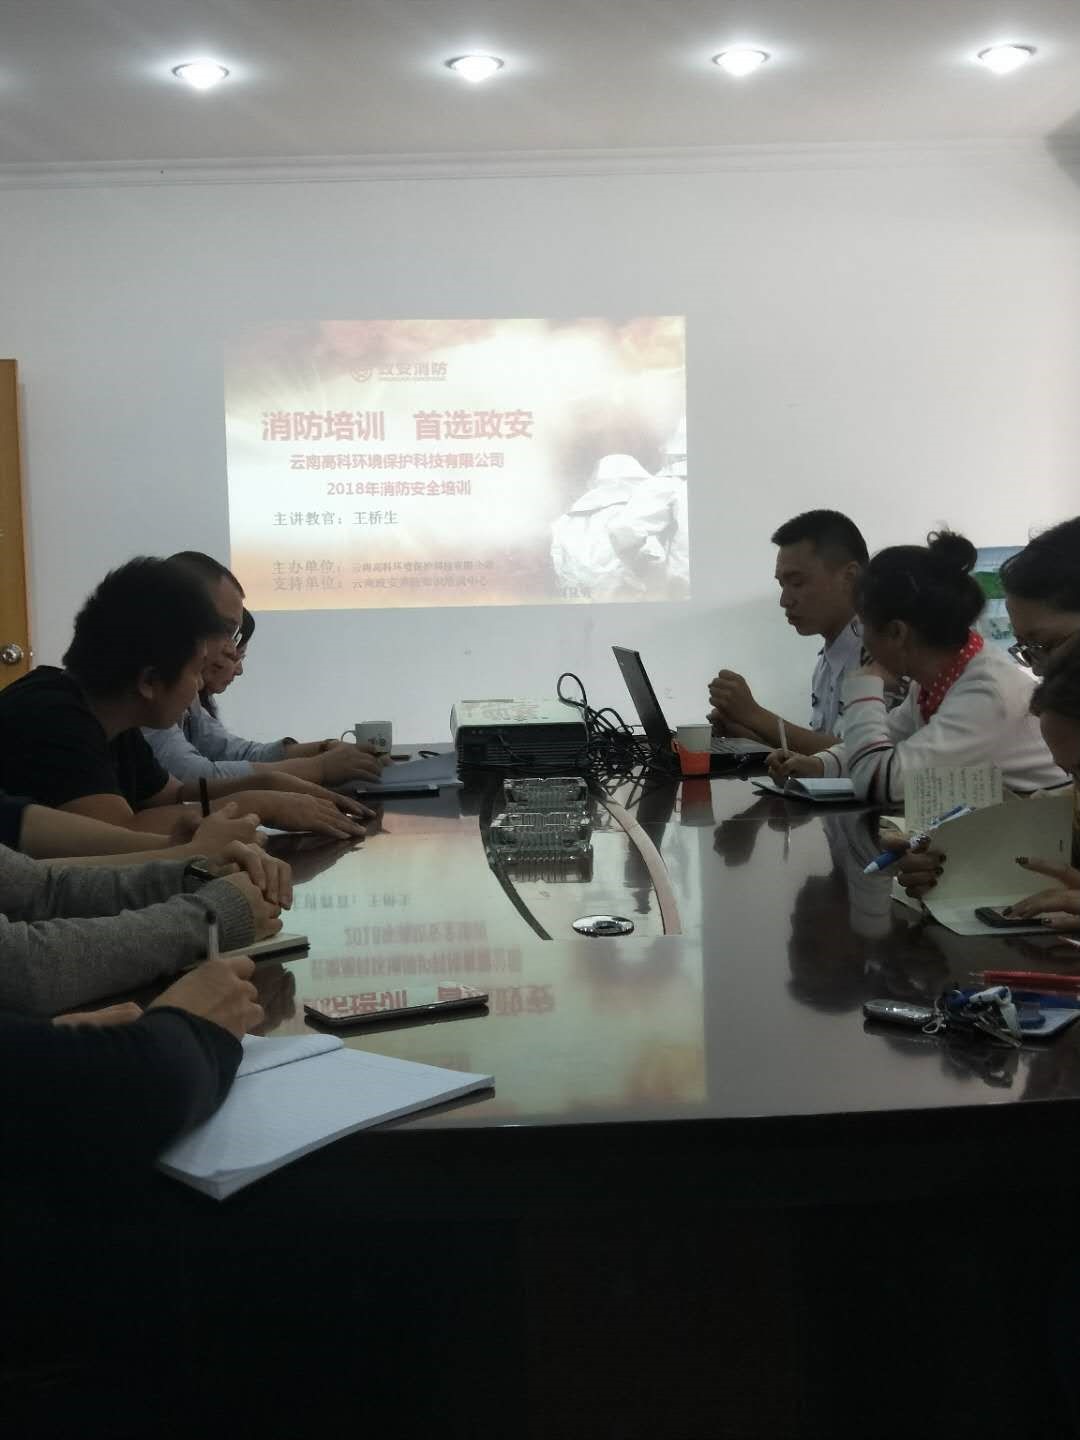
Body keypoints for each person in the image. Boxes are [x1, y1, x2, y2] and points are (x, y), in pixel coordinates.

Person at [0, 558, 368, 840]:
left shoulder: (112, 716)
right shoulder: (53, 719)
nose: (198, 690)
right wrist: (260, 803)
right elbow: (121, 835)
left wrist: (272, 783)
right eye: (195, 673)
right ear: (149, 681)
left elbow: (174, 796)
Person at [769, 531, 1066, 803]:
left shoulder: (986, 691)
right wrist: (819, 764)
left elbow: (878, 782)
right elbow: (889, 737)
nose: (863, 639)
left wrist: (864, 684)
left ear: (897, 633)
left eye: (863, 626)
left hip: (1044, 832)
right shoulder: (942, 678)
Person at [893, 516, 1080, 900]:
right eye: (1027, 649)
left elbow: (882, 776)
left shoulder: (989, 689)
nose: (1039, 671)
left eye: (1047, 645)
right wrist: (958, 854)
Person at [148, 553, 389, 786]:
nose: (232, 651)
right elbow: (193, 776)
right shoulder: (148, 689)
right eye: (225, 630)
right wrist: (320, 768)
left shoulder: (184, 690)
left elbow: (233, 752)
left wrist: (324, 749)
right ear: (180, 617)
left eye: (234, 635)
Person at [708, 509, 895, 755]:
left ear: (850, 577)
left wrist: (755, 715)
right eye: (782, 584)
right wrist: (747, 732)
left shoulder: (885, 655)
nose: (785, 600)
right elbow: (823, 759)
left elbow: (865, 757)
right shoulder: (828, 660)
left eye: (797, 583)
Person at [550, 452, 683, 601]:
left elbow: (559, 563)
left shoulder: (566, 520)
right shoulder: (643, 513)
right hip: (630, 600)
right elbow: (654, 559)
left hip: (582, 599)